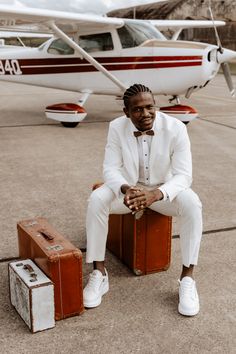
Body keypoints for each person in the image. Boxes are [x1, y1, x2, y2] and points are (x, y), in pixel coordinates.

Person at [83, 83, 202, 316]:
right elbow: (110, 168)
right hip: (128, 191)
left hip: (162, 193)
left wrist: (155, 194)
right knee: (96, 199)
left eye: (150, 107)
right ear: (126, 112)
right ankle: (99, 272)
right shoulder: (116, 127)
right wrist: (126, 189)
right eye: (137, 110)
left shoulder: (176, 128)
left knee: (193, 204)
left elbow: (183, 176)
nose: (145, 114)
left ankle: (187, 279)